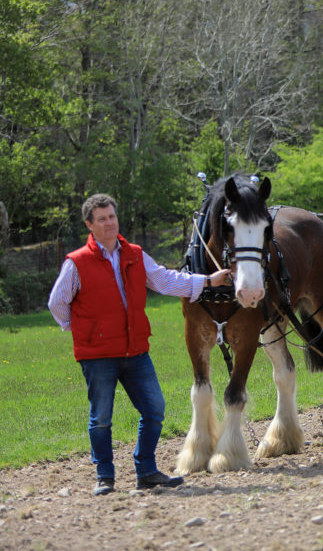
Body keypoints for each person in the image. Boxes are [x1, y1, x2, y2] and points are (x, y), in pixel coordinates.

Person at [48, 193, 231, 495]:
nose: (109, 223)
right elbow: (58, 303)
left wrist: (209, 281)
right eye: (102, 219)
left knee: (155, 409)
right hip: (98, 356)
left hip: (135, 351)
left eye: (112, 217)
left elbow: (166, 280)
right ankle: (104, 477)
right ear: (89, 225)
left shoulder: (134, 254)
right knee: (101, 418)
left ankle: (145, 471)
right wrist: (81, 329)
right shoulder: (76, 263)